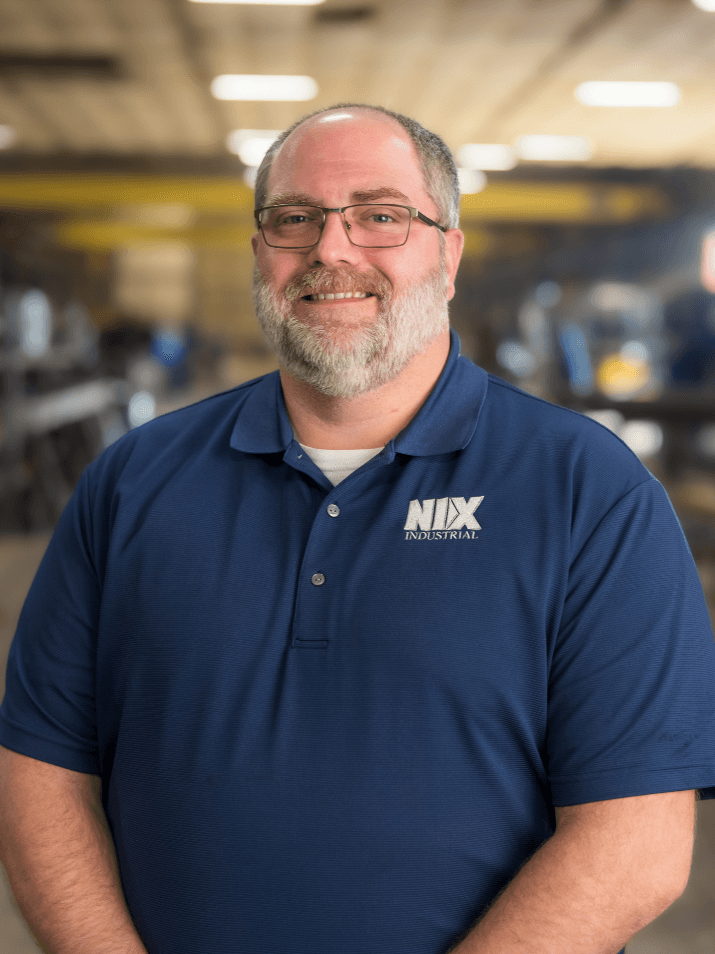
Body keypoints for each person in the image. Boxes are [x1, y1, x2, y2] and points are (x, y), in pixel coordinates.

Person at [1, 103, 714, 954]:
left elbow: (636, 842)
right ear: (260, 253)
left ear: (447, 254)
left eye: (379, 216)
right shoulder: (132, 483)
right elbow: (39, 775)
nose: (330, 249)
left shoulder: (587, 490)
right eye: (293, 218)